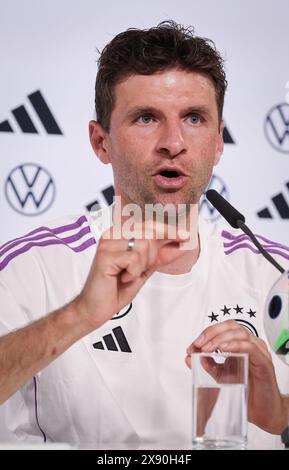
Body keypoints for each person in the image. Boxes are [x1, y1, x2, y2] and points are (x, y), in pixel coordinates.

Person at [0, 20, 288, 449]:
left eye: (194, 118)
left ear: (218, 143)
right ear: (101, 142)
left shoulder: (276, 271)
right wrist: (79, 314)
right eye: (146, 118)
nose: (173, 142)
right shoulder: (33, 265)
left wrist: (280, 416)